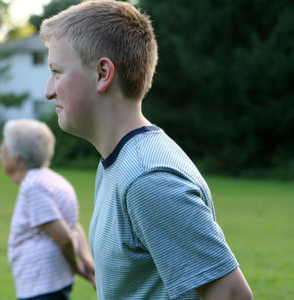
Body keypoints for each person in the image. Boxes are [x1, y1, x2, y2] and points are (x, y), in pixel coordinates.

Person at [40, 1, 252, 299]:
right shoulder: (117, 163)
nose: (49, 90)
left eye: (57, 72)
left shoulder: (147, 179)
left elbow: (231, 295)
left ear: (102, 73)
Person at [0, 119, 95, 300]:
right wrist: (86, 258)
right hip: (50, 282)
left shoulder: (33, 186)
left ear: (17, 160)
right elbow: (73, 225)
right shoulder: (53, 179)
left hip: (41, 284)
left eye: (4, 149)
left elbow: (64, 237)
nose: (0, 153)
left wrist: (77, 268)